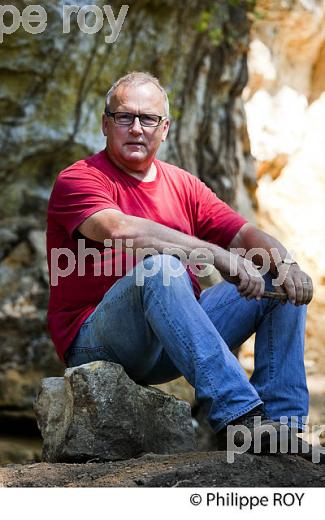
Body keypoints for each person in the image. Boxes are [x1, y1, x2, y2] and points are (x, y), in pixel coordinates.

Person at [47, 71, 313, 455]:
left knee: (276, 281)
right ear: (106, 124)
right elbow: (119, 230)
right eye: (124, 117)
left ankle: (280, 430)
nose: (137, 128)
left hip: (172, 339)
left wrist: (286, 264)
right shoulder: (79, 179)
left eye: (149, 119)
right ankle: (241, 418)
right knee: (162, 266)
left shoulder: (183, 185)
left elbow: (244, 235)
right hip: (98, 341)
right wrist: (216, 255)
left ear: (165, 128)